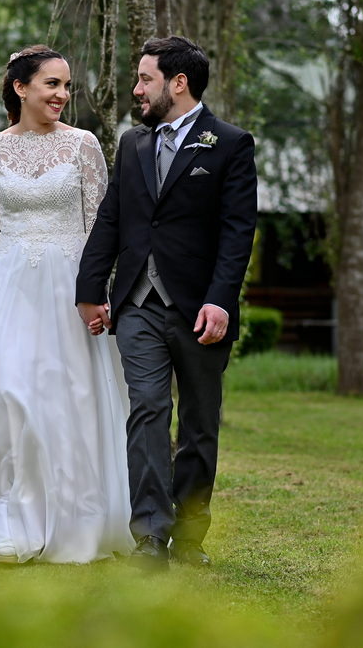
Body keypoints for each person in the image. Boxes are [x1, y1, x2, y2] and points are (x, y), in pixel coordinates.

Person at [0, 45, 133, 564]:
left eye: (66, 87)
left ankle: (76, 516)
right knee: (9, 394)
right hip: (9, 288)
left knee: (69, 397)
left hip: (70, 289)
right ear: (21, 88)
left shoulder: (83, 146)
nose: (61, 95)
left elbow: (100, 226)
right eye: (51, 85)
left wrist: (99, 293)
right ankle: (11, 518)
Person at [76, 36, 257, 570]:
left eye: (145, 78)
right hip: (137, 304)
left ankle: (191, 536)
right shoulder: (132, 144)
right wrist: (90, 292)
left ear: (178, 83)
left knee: (200, 424)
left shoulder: (229, 143)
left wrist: (221, 301)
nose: (137, 88)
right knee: (149, 410)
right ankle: (150, 535)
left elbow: (237, 231)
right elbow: (113, 217)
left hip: (201, 309)